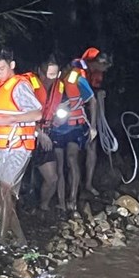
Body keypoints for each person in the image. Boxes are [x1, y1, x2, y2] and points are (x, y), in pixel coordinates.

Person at [0, 48, 42, 246]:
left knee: (5, 191)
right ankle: (21, 241)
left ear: (11, 65)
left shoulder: (20, 86)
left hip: (19, 146)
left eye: (1, 68)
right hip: (1, 147)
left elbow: (37, 113)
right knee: (0, 198)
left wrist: (11, 118)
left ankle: (1, 241)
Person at [49, 63, 96, 211]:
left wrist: (93, 127)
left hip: (75, 126)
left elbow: (92, 101)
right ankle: (61, 202)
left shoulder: (77, 80)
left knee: (71, 158)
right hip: (57, 128)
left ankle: (73, 199)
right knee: (59, 164)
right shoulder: (50, 82)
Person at [75, 47, 112, 196]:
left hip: (89, 111)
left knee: (92, 146)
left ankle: (88, 184)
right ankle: (76, 186)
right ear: (97, 62)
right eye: (104, 65)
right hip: (75, 111)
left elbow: (94, 94)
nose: (104, 70)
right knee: (74, 150)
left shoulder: (96, 73)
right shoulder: (78, 69)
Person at [27, 59, 63, 211]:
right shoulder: (28, 86)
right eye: (47, 75)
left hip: (46, 137)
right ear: (40, 72)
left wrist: (57, 120)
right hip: (27, 136)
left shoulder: (59, 87)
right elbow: (23, 113)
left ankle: (44, 207)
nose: (49, 79)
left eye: (54, 75)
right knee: (20, 180)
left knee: (52, 178)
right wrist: (38, 132)